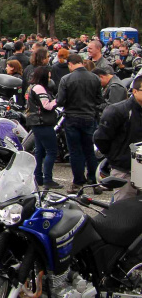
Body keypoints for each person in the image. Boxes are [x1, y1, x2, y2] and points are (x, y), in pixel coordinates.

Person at [57, 53, 104, 193]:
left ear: (70, 64)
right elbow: (99, 99)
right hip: (89, 117)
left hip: (72, 117)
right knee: (90, 150)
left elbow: (60, 101)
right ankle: (94, 181)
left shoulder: (66, 79)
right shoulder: (95, 78)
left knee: (75, 151)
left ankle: (78, 183)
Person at [95, 75, 142, 201]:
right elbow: (101, 138)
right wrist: (116, 157)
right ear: (135, 91)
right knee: (123, 209)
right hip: (124, 170)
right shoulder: (118, 110)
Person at [25, 66, 61, 189]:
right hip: (42, 122)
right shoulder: (39, 88)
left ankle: (38, 177)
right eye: (49, 76)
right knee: (51, 151)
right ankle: (48, 179)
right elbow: (47, 106)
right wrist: (58, 100)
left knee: (39, 151)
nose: (50, 79)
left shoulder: (32, 87)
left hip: (36, 122)